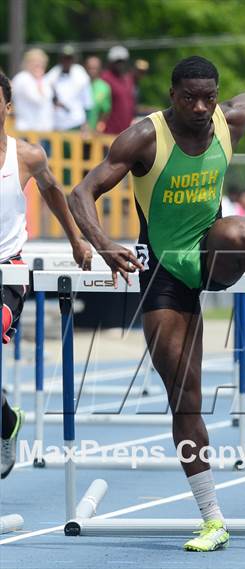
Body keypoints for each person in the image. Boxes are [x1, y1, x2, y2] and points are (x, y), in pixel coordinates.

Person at [69, 56, 245, 552]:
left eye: (209, 97)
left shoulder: (229, 120)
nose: (200, 107)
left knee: (244, 231)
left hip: (211, 251)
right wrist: (103, 242)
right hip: (162, 273)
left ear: (217, 95)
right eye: (189, 98)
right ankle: (212, 518)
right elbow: (83, 192)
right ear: (172, 95)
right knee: (184, 397)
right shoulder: (142, 138)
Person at [0, 72, 91, 480]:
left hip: (8, 270)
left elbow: (54, 190)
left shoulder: (26, 156)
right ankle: (6, 419)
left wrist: (76, 239)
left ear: (7, 106)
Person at [46, 45, 92, 132]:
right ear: (60, 59)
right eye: (64, 58)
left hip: (76, 123)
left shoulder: (80, 73)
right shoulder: (53, 73)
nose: (66, 61)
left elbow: (87, 102)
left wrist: (87, 123)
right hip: (57, 125)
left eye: (69, 58)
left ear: (73, 60)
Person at [11, 48, 54, 132]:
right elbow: (37, 99)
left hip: (44, 130)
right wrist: (39, 81)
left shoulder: (44, 79)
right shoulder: (23, 78)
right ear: (27, 63)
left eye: (41, 61)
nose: (38, 64)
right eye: (34, 61)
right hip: (26, 130)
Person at [101, 46, 136, 134]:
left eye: (122, 61)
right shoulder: (105, 78)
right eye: (117, 61)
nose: (120, 64)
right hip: (109, 132)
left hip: (127, 132)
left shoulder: (128, 79)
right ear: (110, 62)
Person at [85, 56, 112, 133]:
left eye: (95, 68)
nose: (92, 71)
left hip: (94, 133)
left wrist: (100, 126)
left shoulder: (104, 87)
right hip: (75, 131)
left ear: (100, 69)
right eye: (90, 68)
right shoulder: (79, 84)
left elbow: (106, 111)